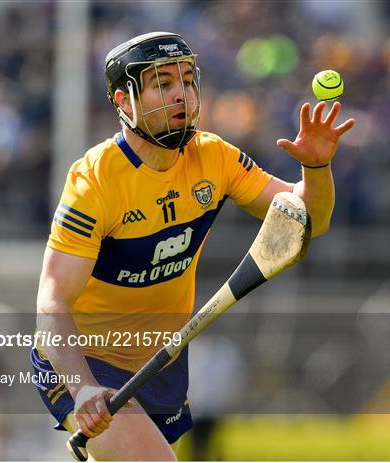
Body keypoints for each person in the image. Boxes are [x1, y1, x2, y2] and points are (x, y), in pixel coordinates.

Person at [32, 31, 354, 460]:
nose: (180, 93)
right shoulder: (95, 182)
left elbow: (309, 219)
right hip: (86, 361)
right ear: (123, 101)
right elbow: (52, 300)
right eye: (162, 84)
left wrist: (316, 166)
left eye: (186, 79)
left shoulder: (214, 158)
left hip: (160, 363)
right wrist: (83, 385)